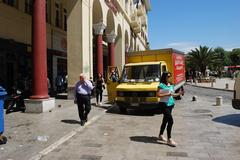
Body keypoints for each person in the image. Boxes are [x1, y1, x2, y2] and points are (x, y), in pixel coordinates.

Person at [157, 71, 182, 147]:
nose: (169, 77)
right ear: (164, 76)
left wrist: (179, 94)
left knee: (165, 120)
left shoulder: (171, 85)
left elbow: (172, 94)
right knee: (171, 121)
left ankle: (160, 135)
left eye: (169, 76)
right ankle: (169, 139)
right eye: (167, 76)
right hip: (164, 105)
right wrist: (166, 94)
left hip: (170, 104)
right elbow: (158, 95)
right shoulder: (161, 85)